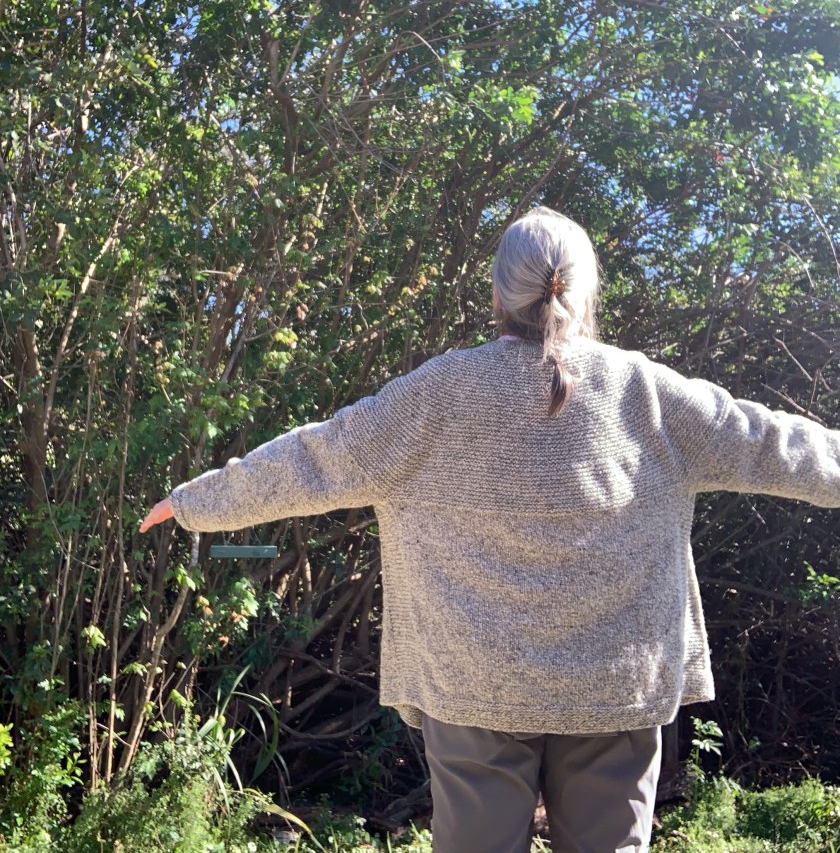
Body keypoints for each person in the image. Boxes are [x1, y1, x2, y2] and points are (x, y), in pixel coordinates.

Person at [140, 206, 840, 853]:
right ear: (587, 292)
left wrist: (197, 501)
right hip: (616, 686)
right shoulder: (646, 391)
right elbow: (773, 442)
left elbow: (316, 457)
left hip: (470, 687)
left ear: (499, 297)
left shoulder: (436, 393)